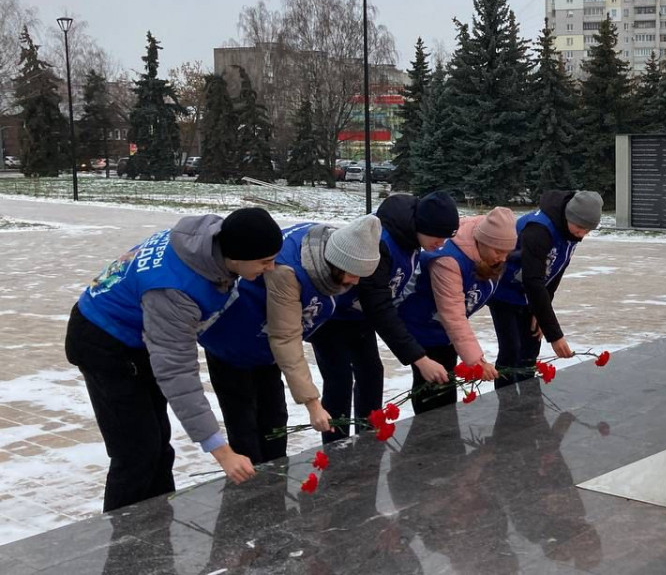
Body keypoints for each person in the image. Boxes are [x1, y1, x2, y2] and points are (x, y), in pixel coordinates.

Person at [65, 207, 282, 512]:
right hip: (103, 341)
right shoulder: (176, 289)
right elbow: (178, 373)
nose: (271, 268)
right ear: (236, 256)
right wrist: (222, 452)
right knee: (136, 452)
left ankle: (156, 528)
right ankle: (121, 545)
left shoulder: (212, 241)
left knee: (157, 445)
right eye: (264, 262)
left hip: (139, 337)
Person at [198, 215, 381, 463]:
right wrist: (312, 403)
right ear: (337, 263)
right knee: (245, 426)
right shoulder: (287, 271)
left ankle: (275, 483)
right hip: (232, 343)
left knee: (274, 421)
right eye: (353, 274)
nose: (355, 282)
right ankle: (252, 494)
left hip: (266, 350)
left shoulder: (326, 251)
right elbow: (286, 337)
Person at [310, 192, 461, 444]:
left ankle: (366, 440)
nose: (441, 244)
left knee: (371, 373)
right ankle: (335, 449)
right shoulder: (382, 243)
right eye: (439, 236)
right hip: (333, 315)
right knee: (339, 379)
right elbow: (379, 306)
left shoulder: (413, 239)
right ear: (423, 226)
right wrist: (419, 358)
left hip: (359, 318)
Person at [398, 207, 517, 413]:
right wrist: (476, 361)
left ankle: (445, 436)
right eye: (498, 252)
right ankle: (429, 439)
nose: (503, 258)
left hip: (444, 330)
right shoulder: (449, 261)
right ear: (483, 241)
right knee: (433, 389)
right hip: (423, 322)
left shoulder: (489, 243)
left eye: (507, 252)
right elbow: (452, 314)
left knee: (446, 386)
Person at [489, 191, 602, 389]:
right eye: (580, 227)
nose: (582, 234)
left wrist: (541, 312)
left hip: (531, 293)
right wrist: (555, 334)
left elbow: (556, 271)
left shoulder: (570, 232)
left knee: (530, 348)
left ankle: (529, 404)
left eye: (588, 230)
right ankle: (506, 407)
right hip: (504, 290)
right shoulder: (539, 230)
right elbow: (533, 280)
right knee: (512, 349)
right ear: (569, 216)